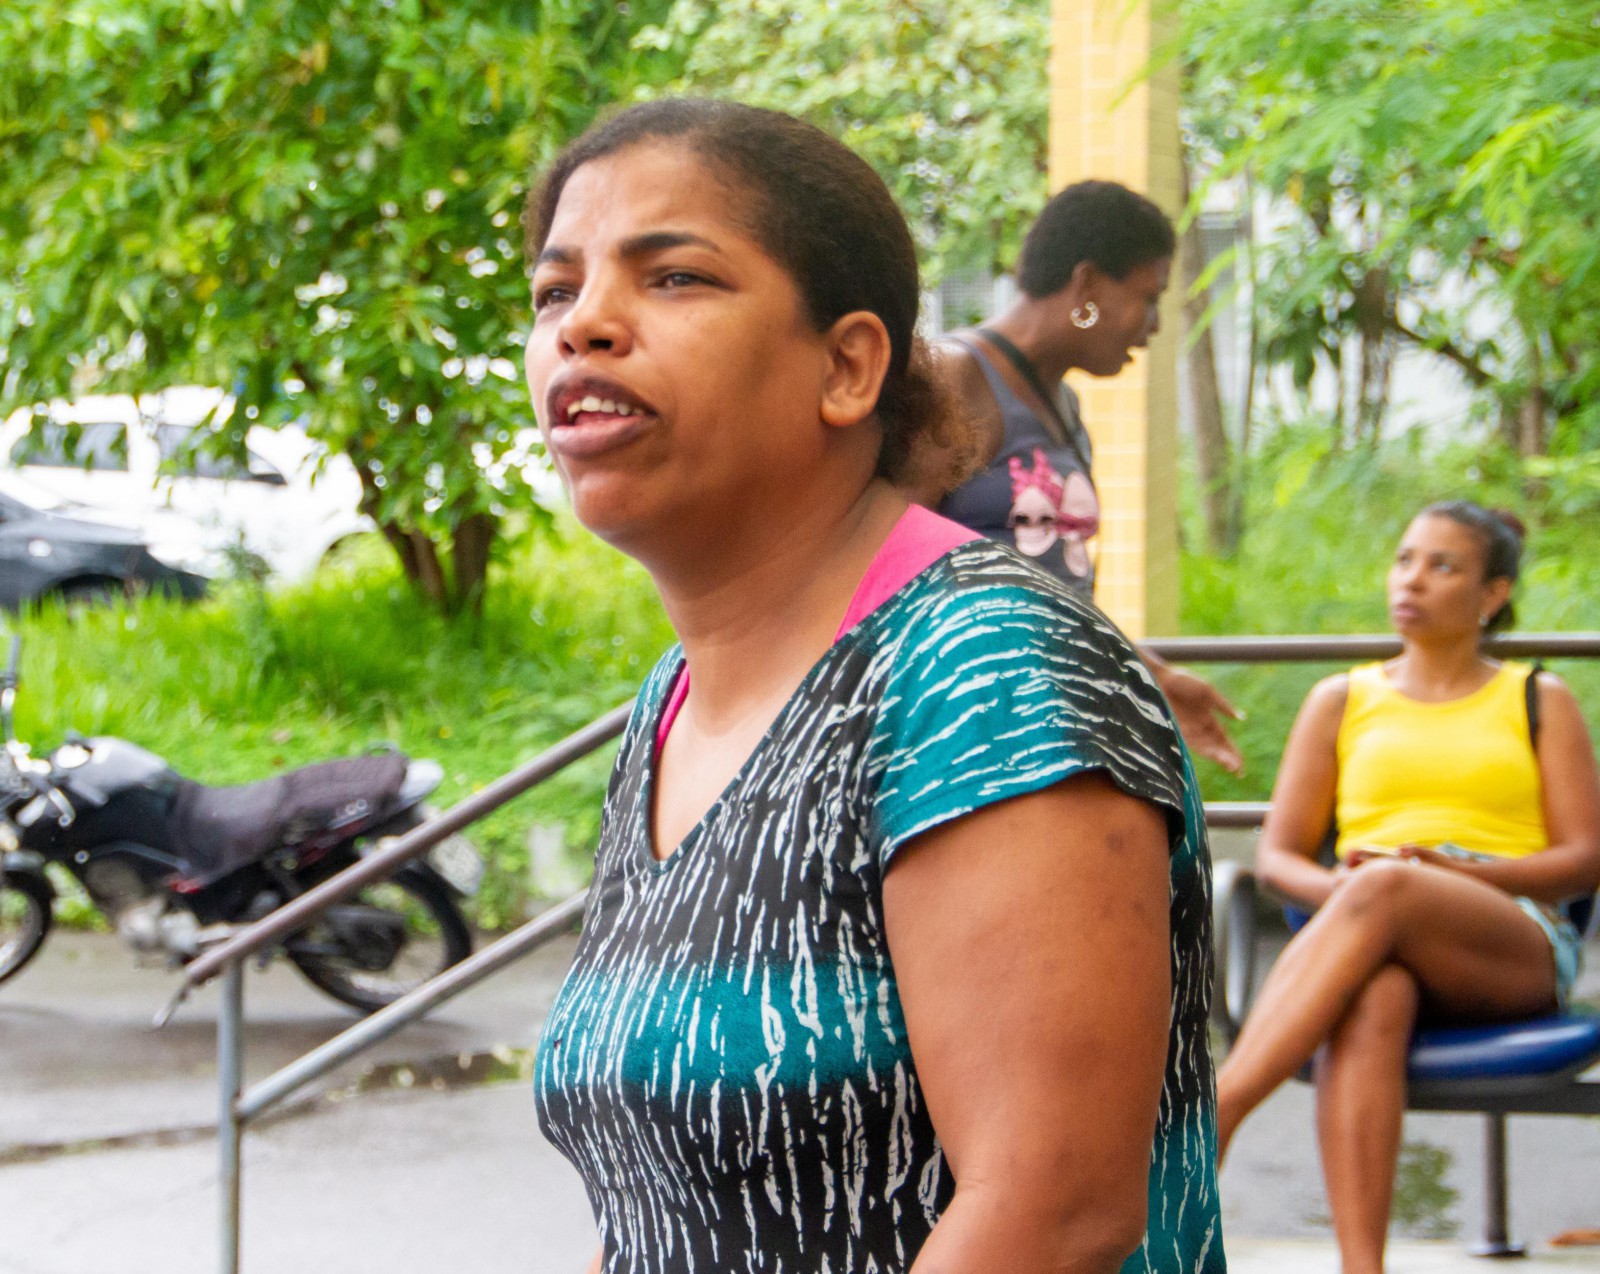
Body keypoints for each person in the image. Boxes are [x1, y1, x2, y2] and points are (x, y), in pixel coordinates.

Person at [524, 98, 1223, 1274]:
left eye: (676, 277)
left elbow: (1050, 1214)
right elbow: (657, 1209)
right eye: (554, 292)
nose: (585, 323)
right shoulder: (671, 705)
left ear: (848, 365)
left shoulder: (982, 667)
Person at [1215, 502, 1600, 1274]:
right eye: (1404, 560)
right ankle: (1364, 1269)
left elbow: (1586, 858)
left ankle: (1214, 1113)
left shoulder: (1537, 697)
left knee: (1387, 886)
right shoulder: (1341, 699)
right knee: (1374, 995)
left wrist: (1457, 877)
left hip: (1510, 938)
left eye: (1442, 566)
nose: (1412, 580)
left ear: (1492, 595)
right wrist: (1357, 897)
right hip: (1368, 912)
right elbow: (1281, 857)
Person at [905, 182, 1244, 774]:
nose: (1155, 324)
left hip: (1051, 719)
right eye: (1148, 297)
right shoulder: (958, 379)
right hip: (966, 725)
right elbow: (885, 561)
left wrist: (1154, 676)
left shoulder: (1063, 408)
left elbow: (1056, 589)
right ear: (1086, 285)